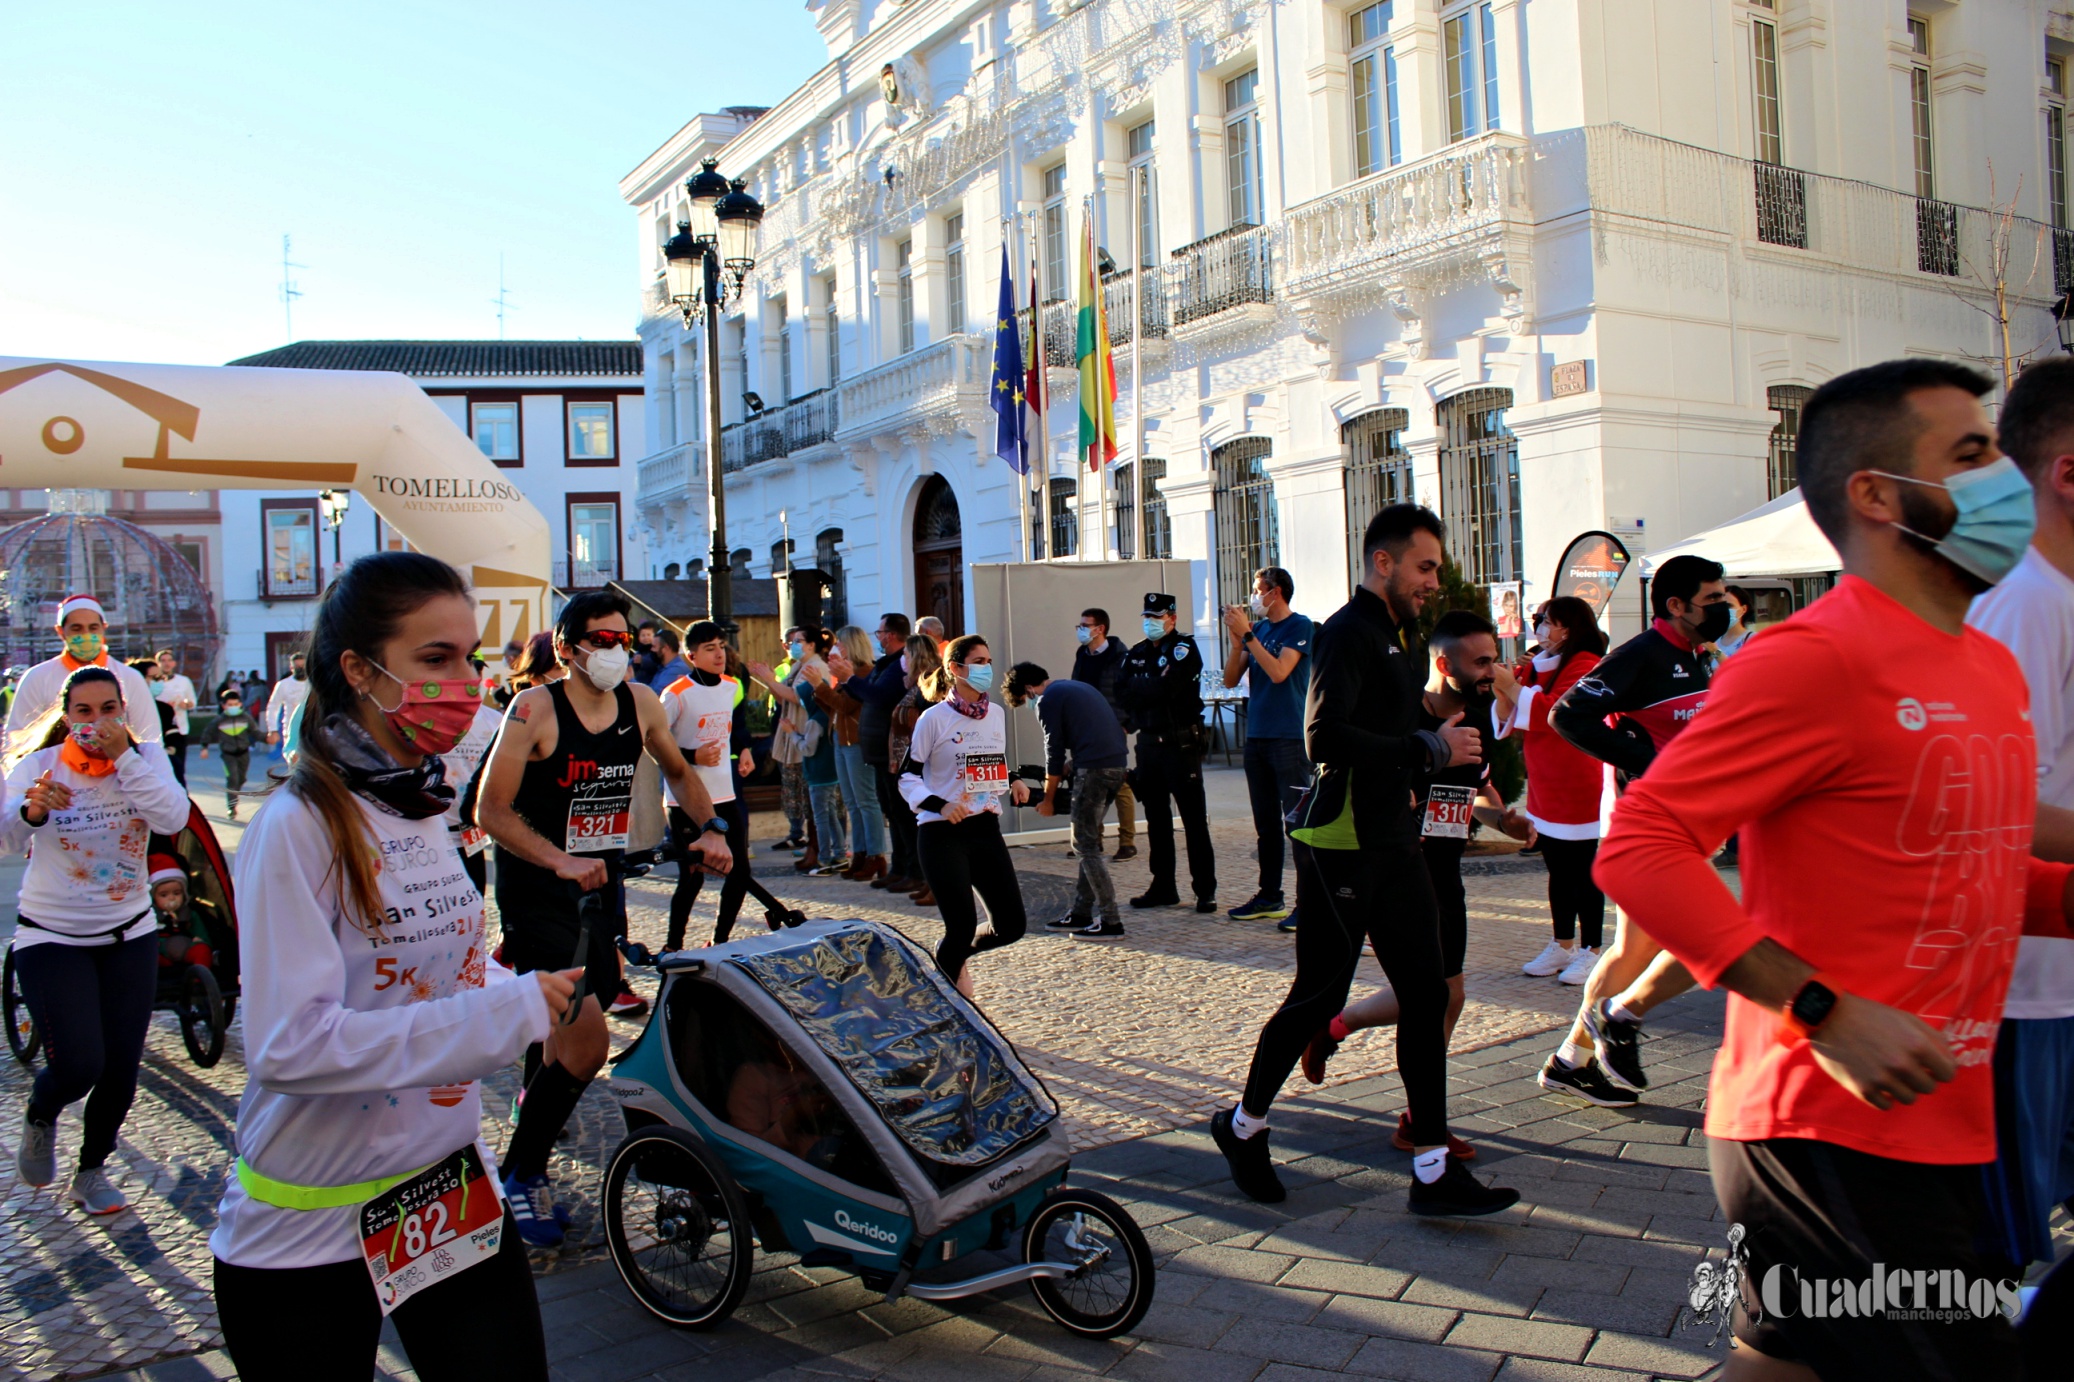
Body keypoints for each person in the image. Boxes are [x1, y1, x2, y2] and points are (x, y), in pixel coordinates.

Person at [1593, 358, 2074, 1381]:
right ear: (1877, 492)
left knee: (1780, 1367)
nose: (2005, 480)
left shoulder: (1982, 663)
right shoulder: (1810, 658)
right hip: (1824, 1122)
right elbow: (1640, 843)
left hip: (1942, 1112)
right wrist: (1821, 1006)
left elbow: (1970, 867)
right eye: (1973, 453)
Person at [205, 551, 575, 1381]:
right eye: (435, 660)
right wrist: (511, 1014)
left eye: (471, 658)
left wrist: (542, 1006)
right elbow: (289, 1047)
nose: (466, 681)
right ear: (359, 671)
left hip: (444, 1192)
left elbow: (441, 973)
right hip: (305, 1231)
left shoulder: (419, 803)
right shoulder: (298, 826)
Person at [1211, 505, 1518, 1217]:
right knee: (1318, 994)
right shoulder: (1348, 633)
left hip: (1393, 839)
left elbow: (1393, 722)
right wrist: (1425, 748)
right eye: (1424, 567)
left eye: (1436, 569)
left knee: (1428, 994)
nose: (1432, 581)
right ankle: (1244, 1124)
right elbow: (1323, 739)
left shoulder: (1400, 635)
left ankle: (1434, 1169)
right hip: (1341, 842)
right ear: (1383, 562)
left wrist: (1438, 738)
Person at [476, 589, 732, 1247]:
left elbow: (678, 770)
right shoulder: (534, 709)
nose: (618, 650)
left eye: (625, 639)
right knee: (588, 1041)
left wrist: (712, 827)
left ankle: (533, 1102)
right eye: (603, 639)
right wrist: (558, 860)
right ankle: (520, 1173)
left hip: (601, 885)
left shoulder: (641, 703)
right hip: (540, 889)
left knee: (565, 1033)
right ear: (567, 648)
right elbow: (491, 811)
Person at [1297, 610, 1535, 1160]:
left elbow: (1464, 801)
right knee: (1437, 996)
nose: (1490, 672)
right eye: (1480, 661)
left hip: (1444, 878)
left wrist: (1505, 822)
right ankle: (1420, 1121)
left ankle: (1337, 1030)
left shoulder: (1472, 725)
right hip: (1396, 878)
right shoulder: (1401, 723)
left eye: (1493, 660)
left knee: (1444, 996)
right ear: (1443, 663)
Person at [1535, 553, 1728, 1107]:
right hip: (1649, 831)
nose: (1724, 607)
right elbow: (1566, 715)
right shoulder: (1639, 656)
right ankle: (1618, 1017)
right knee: (1710, 943)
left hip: (1690, 825)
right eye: (1712, 600)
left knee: (1631, 952)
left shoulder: (1699, 655)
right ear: (1676, 605)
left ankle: (1571, 1061)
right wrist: (1645, 761)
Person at [7, 665, 191, 1215]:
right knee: (80, 1064)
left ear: (123, 712)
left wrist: (127, 759)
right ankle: (42, 1112)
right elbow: (4, 836)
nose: (96, 723)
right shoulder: (39, 766)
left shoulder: (147, 759)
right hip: (50, 935)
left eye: (108, 710)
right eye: (84, 712)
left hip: (128, 934)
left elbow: (173, 815)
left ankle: (92, 1171)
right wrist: (33, 810)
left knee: (120, 1067)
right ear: (67, 718)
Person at [1965, 354, 2074, 1276]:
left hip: (2057, 977)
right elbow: (1998, 806)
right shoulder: (2022, 603)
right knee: (1999, 1259)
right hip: (2022, 991)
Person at [899, 634, 1031, 995]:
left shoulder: (996, 715)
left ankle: (954, 959)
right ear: (955, 669)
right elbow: (907, 775)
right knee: (959, 926)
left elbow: (991, 761)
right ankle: (947, 996)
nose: (987, 669)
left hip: (985, 827)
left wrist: (1014, 779)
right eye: (978, 662)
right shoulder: (934, 719)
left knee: (1012, 926)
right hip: (942, 832)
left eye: (989, 661)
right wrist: (939, 804)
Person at [661, 623, 796, 948]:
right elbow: (653, 744)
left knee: (739, 871)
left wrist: (745, 749)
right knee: (691, 877)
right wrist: (692, 754)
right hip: (685, 800)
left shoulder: (731, 686)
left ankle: (720, 940)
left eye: (721, 645)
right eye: (709, 648)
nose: (719, 653)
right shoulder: (674, 694)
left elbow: (736, 726)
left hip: (726, 793)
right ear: (691, 655)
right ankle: (673, 945)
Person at [1496, 597, 1609, 984]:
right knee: (1558, 868)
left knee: (1583, 870)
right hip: (1544, 781)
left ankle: (1592, 949)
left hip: (1576, 780)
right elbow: (1514, 714)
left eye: (1546, 620)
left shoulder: (1585, 664)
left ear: (1568, 626)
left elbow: (1552, 711)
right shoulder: (1537, 665)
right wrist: (1504, 690)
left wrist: (1513, 687)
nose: (1540, 626)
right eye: (1537, 619)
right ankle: (1562, 944)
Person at [1005, 661, 1130, 940]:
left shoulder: (1046, 700)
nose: (1028, 704)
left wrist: (1048, 799)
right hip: (1116, 767)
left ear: (1028, 688)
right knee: (1090, 841)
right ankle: (1081, 912)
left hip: (1094, 772)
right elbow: (1095, 735)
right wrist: (1071, 767)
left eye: (1024, 699)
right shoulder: (1074, 687)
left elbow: (1054, 752)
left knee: (1084, 845)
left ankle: (1111, 920)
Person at [1220, 567, 1314, 923]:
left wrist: (1248, 636)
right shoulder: (1256, 630)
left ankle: (1308, 902)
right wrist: (1236, 641)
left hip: (1289, 738)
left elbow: (1278, 672)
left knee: (1298, 824)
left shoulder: (1300, 627)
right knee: (1266, 825)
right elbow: (1231, 679)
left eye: (1259, 590)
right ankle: (1270, 895)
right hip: (1257, 737)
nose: (1254, 597)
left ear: (1276, 592)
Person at [1116, 592, 1215, 912]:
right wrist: (1148, 687)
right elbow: (1121, 691)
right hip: (1148, 745)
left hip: (1180, 744)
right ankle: (1163, 887)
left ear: (1172, 619)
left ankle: (1205, 890)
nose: (1150, 622)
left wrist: (1143, 687)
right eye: (1147, 616)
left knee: (1193, 821)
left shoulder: (1184, 649)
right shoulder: (1137, 652)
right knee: (1157, 821)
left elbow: (1169, 688)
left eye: (1157, 617)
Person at [4, 594, 161, 755]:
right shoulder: (37, 677)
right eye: (76, 628)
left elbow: (150, 737)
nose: (86, 635)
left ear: (103, 628)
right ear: (60, 631)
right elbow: (18, 737)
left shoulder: (130, 677)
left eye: (93, 628)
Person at [845, 613, 918, 889]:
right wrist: (846, 682)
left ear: (890, 634)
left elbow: (879, 697)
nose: (878, 637)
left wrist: (849, 678)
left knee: (902, 812)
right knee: (892, 811)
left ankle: (914, 871)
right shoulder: (886, 664)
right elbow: (869, 694)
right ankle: (899, 867)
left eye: (879, 632)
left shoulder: (899, 666)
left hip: (894, 751)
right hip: (879, 751)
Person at [820, 625, 888, 881]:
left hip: (858, 742)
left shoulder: (865, 673)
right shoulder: (847, 674)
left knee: (866, 801)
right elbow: (836, 711)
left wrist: (819, 686)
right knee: (852, 802)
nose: (837, 649)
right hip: (842, 739)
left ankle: (876, 855)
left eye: (840, 644)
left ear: (851, 646)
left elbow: (846, 705)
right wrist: (824, 690)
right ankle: (860, 852)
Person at [885, 633, 946, 907]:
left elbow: (927, 719)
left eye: (906, 655)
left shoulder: (930, 681)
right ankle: (927, 880)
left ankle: (936, 883)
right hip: (910, 757)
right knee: (911, 821)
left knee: (930, 825)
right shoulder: (912, 683)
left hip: (927, 760)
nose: (903, 660)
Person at [1071, 608, 1137, 860]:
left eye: (1085, 625)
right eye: (1079, 625)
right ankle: (1092, 839)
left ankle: (1127, 841)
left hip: (1112, 726)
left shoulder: (1122, 656)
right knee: (1087, 781)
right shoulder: (1083, 653)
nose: (1080, 630)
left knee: (1118, 783)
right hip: (1086, 727)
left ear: (1100, 629)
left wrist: (1127, 725)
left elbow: (1132, 694)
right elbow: (1077, 685)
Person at [769, 624, 810, 853]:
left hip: (800, 729)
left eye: (800, 641)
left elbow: (794, 697)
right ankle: (796, 832)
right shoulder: (785, 668)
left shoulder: (809, 667)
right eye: (793, 642)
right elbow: (779, 697)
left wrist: (768, 679)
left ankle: (807, 835)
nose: (796, 646)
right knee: (790, 787)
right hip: (784, 727)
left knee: (804, 787)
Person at [197, 686, 259, 820]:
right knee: (232, 778)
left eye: (235, 704)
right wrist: (204, 747)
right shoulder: (220, 720)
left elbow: (255, 732)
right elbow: (208, 732)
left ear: (240, 704)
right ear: (223, 706)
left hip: (243, 753)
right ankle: (231, 807)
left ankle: (235, 790)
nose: (233, 707)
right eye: (229, 705)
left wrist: (267, 738)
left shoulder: (245, 718)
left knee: (241, 779)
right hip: (228, 755)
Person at [154, 649, 198, 787]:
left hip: (179, 729)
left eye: (169, 660)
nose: (166, 664)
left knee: (178, 765)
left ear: (174, 663)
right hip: (159, 730)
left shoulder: (183, 681)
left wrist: (183, 704)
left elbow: (192, 703)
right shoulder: (154, 684)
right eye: (163, 661)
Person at [263, 652, 309, 757]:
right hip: (291, 730)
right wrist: (273, 729)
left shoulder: (314, 683)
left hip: (313, 729)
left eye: (302, 666)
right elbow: (273, 707)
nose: (300, 669)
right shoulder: (283, 685)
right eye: (297, 666)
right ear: (291, 667)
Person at [648, 626, 690, 691]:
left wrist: (631, 679)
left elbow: (655, 696)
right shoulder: (663, 667)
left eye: (654, 647)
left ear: (666, 648)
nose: (651, 650)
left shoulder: (677, 669)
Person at [632, 619, 663, 688]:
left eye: (649, 635)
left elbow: (657, 665)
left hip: (650, 682)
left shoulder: (656, 650)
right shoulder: (639, 651)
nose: (646, 638)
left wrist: (642, 661)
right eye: (643, 635)